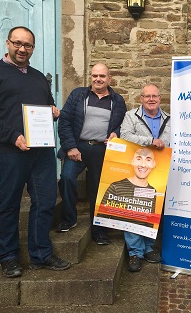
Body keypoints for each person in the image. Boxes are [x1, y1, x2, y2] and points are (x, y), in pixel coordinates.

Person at [0, 26, 70, 278]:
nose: (22, 49)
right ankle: (9, 257)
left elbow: (45, 106)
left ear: (33, 49)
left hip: (41, 152)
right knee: (8, 204)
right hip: (7, 152)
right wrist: (12, 136)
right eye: (18, 43)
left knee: (45, 202)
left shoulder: (37, 77)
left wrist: (53, 111)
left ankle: (41, 254)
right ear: (8, 43)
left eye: (28, 45)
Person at [56, 63, 126, 245]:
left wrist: (116, 133)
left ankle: (99, 230)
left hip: (101, 150)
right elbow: (64, 121)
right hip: (77, 147)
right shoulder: (78, 95)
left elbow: (122, 124)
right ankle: (69, 219)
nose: (98, 79)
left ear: (109, 78)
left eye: (102, 76)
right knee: (67, 178)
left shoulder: (117, 100)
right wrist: (70, 147)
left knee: (99, 190)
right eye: (95, 75)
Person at [120, 83, 170, 272]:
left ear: (160, 98)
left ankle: (149, 248)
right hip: (137, 170)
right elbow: (125, 135)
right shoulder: (131, 116)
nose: (151, 99)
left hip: (158, 171)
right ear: (141, 98)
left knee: (152, 211)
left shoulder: (169, 119)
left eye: (154, 96)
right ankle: (135, 252)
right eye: (147, 96)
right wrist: (150, 141)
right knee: (135, 211)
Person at [98, 148, 158, 228]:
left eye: (148, 160)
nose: (143, 165)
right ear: (132, 161)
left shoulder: (152, 191)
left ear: (154, 164)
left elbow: (149, 223)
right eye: (139, 159)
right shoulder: (116, 187)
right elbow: (101, 218)